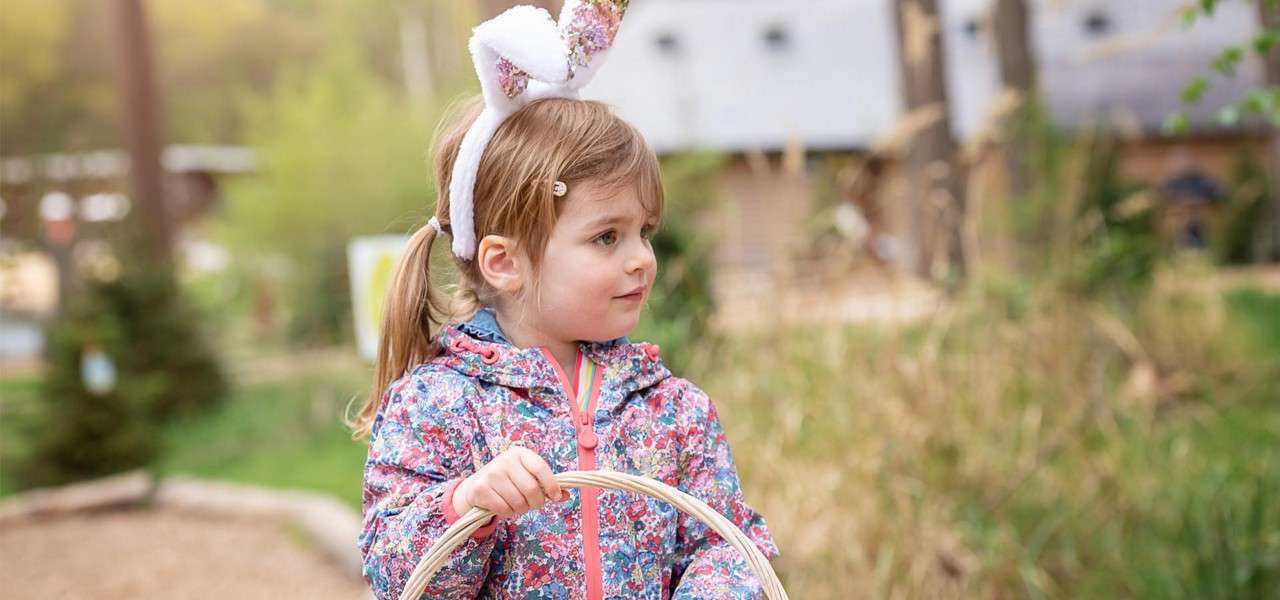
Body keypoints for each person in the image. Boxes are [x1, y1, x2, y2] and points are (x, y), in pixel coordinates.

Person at [347, 3, 778, 598]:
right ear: (505, 262)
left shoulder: (673, 411)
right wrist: (466, 503)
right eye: (607, 237)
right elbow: (397, 573)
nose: (641, 258)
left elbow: (726, 546)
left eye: (644, 232)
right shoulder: (437, 405)